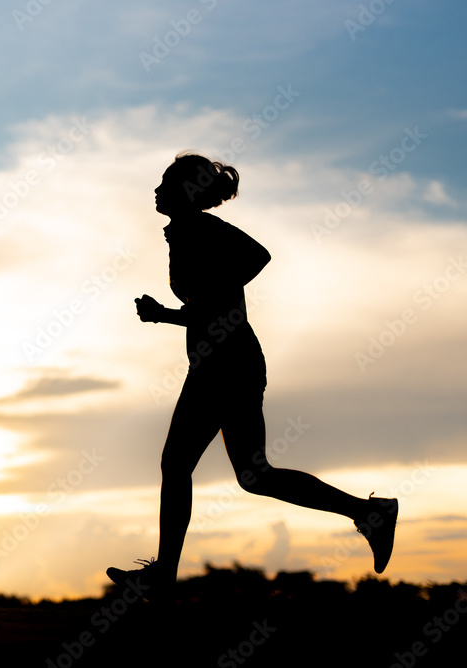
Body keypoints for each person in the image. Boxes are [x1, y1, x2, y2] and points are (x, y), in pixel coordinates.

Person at [106, 152, 398, 598]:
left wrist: (182, 307)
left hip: (225, 365)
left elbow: (256, 257)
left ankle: (163, 577)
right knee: (253, 475)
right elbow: (213, 307)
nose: (156, 189)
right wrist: (170, 315)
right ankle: (368, 513)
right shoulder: (186, 233)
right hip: (227, 362)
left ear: (186, 191)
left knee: (177, 464)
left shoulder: (200, 230)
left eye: (166, 181)